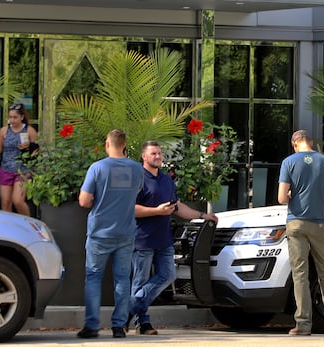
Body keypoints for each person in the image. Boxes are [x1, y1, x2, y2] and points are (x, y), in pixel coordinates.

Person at [128, 141, 218, 335]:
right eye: (154, 153)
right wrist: (156, 211)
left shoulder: (166, 179)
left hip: (164, 239)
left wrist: (202, 216)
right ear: (144, 156)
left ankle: (130, 307)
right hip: (142, 239)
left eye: (160, 153)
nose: (158, 156)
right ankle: (142, 323)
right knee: (140, 282)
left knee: (168, 275)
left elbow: (178, 206)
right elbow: (130, 209)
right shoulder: (138, 178)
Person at [277, 129, 324, 336]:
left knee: (300, 273)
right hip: (319, 224)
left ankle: (302, 324)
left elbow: (282, 198)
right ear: (311, 143)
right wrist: (319, 194)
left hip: (296, 224)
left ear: (295, 144)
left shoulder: (289, 162)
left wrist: (294, 194)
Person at [77, 129, 144, 339]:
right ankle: (119, 326)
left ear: (107, 144)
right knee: (123, 279)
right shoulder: (137, 169)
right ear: (124, 145)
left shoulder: (97, 168)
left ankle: (92, 325)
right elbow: (138, 192)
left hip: (99, 233)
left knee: (94, 278)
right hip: (126, 231)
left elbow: (84, 201)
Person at [0, 103, 38, 216]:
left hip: (23, 170)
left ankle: (28, 224)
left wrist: (29, 148)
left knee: (18, 200)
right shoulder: (4, 131)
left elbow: (38, 150)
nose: (12, 120)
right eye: (10, 117)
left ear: (21, 117)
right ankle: (10, 229)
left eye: (15, 117)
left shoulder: (29, 131)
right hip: (6, 169)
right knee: (6, 202)